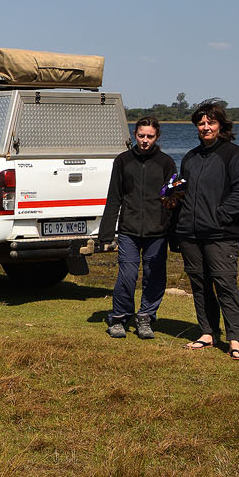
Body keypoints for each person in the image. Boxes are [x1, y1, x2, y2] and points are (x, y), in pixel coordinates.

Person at [173, 103, 239, 360]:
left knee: (225, 283)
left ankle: (235, 340)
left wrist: (221, 215)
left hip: (221, 233)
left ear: (221, 125)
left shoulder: (234, 154)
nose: (205, 127)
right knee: (199, 284)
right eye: (201, 123)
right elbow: (183, 192)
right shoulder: (190, 157)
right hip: (189, 233)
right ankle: (207, 333)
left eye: (210, 122)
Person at [98, 116, 176, 339]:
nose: (145, 140)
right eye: (141, 136)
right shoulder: (123, 161)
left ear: (157, 136)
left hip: (158, 231)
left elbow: (172, 201)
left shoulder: (166, 163)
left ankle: (146, 318)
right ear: (135, 135)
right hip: (128, 231)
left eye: (149, 136)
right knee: (128, 274)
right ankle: (119, 318)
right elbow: (114, 197)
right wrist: (106, 233)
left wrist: (175, 234)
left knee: (154, 275)